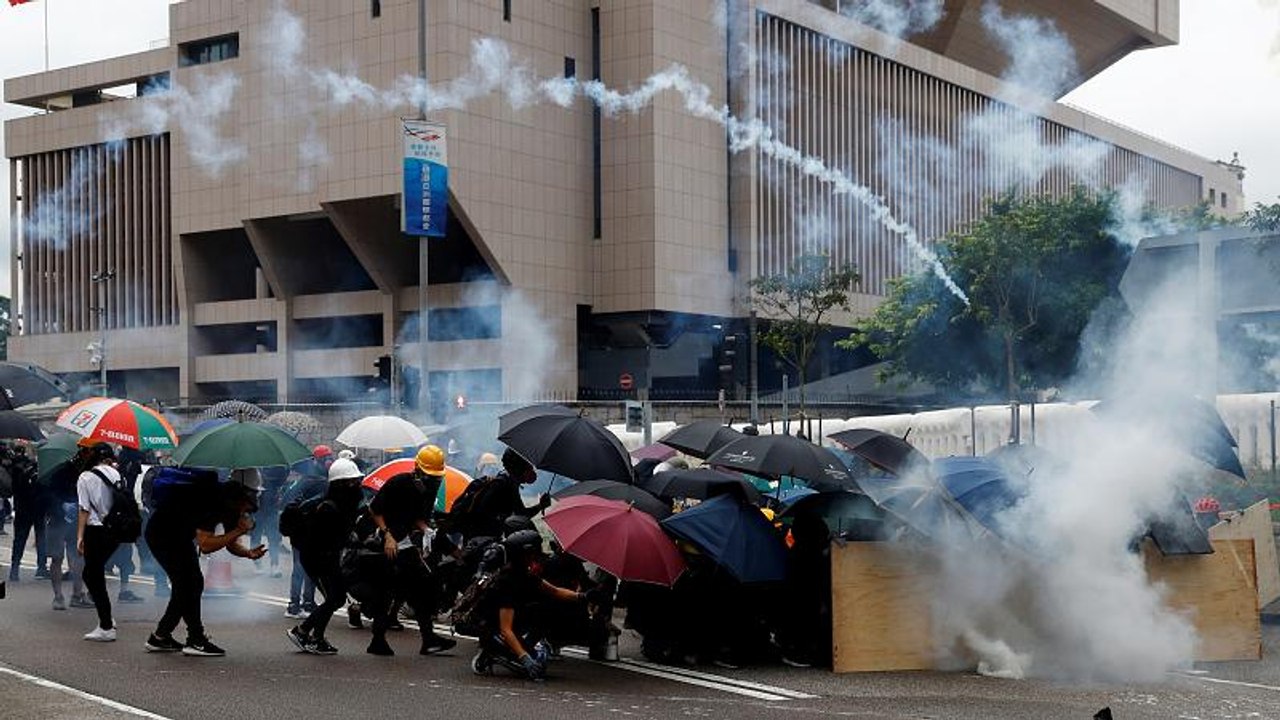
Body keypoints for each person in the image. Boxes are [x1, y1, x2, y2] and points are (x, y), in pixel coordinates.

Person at [143, 468, 266, 657]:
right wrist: (239, 531)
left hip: (181, 536)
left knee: (189, 584)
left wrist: (248, 553)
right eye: (252, 493)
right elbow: (206, 544)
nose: (254, 499)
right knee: (188, 585)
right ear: (242, 492)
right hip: (163, 535)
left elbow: (230, 543)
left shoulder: (232, 505)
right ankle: (194, 639)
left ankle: (162, 637)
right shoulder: (213, 500)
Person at [364, 445, 457, 657]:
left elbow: (416, 517)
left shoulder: (430, 489)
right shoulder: (399, 483)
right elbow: (375, 509)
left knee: (420, 589)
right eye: (428, 475)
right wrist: (387, 535)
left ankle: (428, 639)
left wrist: (426, 530)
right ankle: (379, 639)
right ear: (417, 468)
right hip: (387, 543)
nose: (432, 479)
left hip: (405, 543)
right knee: (387, 592)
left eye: (435, 476)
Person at [470, 529, 596, 681]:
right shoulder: (508, 582)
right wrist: (525, 658)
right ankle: (498, 650)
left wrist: (583, 597)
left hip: (514, 621)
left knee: (549, 609)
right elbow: (506, 629)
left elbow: (554, 591)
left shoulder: (524, 574)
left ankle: (522, 647)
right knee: (535, 663)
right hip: (493, 628)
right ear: (526, 554)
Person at [284, 458, 365, 655]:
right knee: (335, 598)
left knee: (335, 598)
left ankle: (315, 637)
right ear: (340, 484)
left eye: (356, 480)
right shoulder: (327, 508)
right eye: (351, 481)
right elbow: (323, 539)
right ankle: (302, 631)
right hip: (317, 558)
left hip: (327, 557)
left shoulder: (342, 503)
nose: (356, 485)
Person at [76, 442, 124, 642]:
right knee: (94, 574)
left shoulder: (85, 477)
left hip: (96, 530)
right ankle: (107, 619)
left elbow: (84, 509)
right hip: (115, 530)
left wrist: (79, 536)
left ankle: (106, 626)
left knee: (92, 575)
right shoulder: (117, 474)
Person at [448, 448, 549, 542]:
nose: (532, 470)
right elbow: (521, 516)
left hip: (478, 537)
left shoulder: (504, 480)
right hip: (481, 540)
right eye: (528, 467)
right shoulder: (505, 486)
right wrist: (540, 506)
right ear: (519, 469)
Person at [280, 466, 327, 618]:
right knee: (309, 571)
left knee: (298, 570)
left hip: (297, 535)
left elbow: (284, 502)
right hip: (311, 535)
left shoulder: (298, 485)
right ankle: (308, 603)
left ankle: (294, 604)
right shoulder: (323, 486)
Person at [43, 452, 87, 612]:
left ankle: (73, 594)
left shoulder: (84, 473)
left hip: (72, 519)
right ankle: (62, 596)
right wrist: (61, 504)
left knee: (76, 557)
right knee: (59, 558)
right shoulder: (61, 472)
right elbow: (47, 494)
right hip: (59, 518)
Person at [6, 443, 45, 582]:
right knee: (41, 537)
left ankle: (14, 569)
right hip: (38, 507)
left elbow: (12, 486)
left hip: (21, 507)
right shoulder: (40, 468)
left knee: (20, 539)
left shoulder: (14, 467)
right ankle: (41, 568)